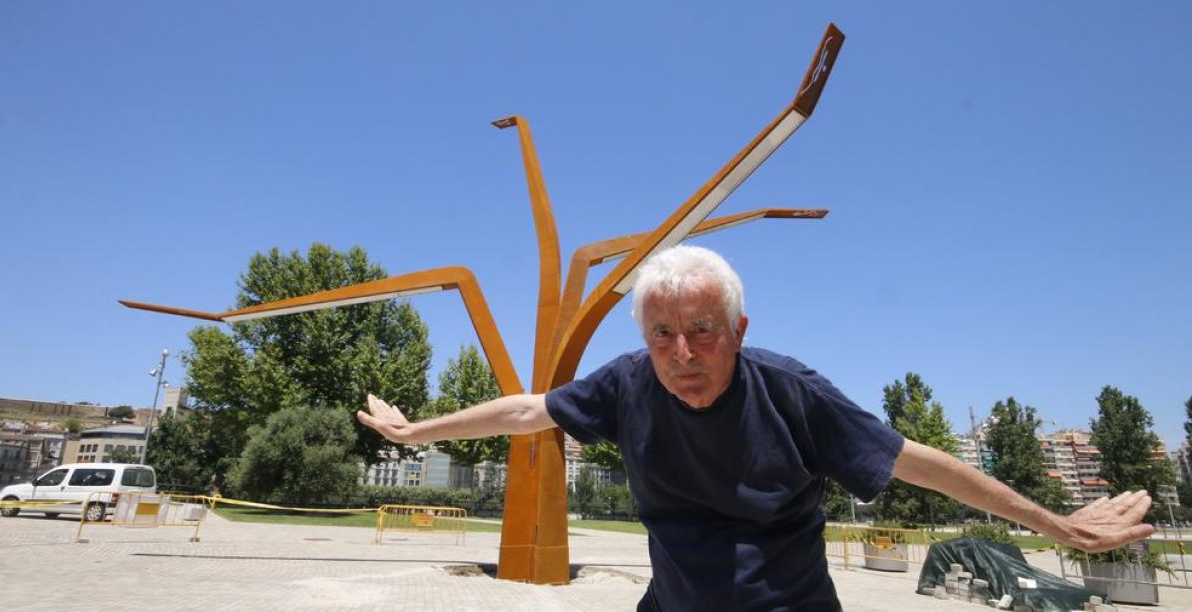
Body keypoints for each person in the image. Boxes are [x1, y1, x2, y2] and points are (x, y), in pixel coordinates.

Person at [357, 245, 1153, 611]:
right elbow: (530, 409)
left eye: (702, 328)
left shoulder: (793, 394)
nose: (682, 353)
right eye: (662, 334)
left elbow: (924, 464)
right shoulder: (629, 384)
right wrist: (419, 430)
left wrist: (1056, 524)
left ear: (739, 327)